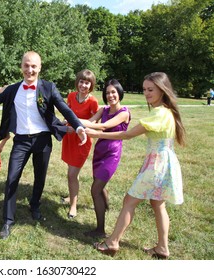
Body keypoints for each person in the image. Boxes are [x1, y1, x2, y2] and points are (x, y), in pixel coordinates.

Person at [0, 51, 87, 239]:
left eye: (33, 66)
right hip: (21, 141)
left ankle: (35, 206)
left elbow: (64, 108)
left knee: (39, 177)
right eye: (26, 65)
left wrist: (78, 126)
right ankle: (8, 221)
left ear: (39, 68)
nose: (30, 69)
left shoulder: (48, 87)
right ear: (21, 67)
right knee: (11, 179)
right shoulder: (13, 89)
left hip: (42, 140)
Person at [86, 72, 186, 259]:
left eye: (151, 89)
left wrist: (95, 134)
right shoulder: (166, 111)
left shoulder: (159, 113)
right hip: (164, 163)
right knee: (158, 204)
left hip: (157, 165)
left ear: (162, 90)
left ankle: (112, 242)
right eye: (144, 89)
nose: (146, 93)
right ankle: (162, 248)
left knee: (129, 201)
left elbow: (126, 135)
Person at [80, 79, 131, 238]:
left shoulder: (124, 112)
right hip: (99, 152)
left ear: (119, 93)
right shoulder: (104, 110)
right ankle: (105, 205)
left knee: (95, 189)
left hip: (112, 154)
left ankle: (100, 230)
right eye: (107, 93)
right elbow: (90, 122)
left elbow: (104, 126)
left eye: (113, 92)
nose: (110, 95)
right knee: (99, 187)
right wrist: (74, 121)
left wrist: (77, 121)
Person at [61, 69, 99, 219]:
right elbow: (67, 112)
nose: (83, 85)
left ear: (91, 85)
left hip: (82, 141)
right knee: (71, 172)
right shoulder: (71, 96)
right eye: (81, 82)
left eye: (87, 82)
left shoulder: (93, 101)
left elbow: (95, 122)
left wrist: (81, 128)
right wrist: (64, 122)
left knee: (72, 174)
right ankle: (72, 196)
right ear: (77, 82)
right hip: (69, 137)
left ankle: (73, 206)